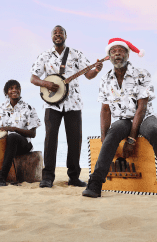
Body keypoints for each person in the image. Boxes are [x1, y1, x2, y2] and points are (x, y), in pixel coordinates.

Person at [82, 38, 157, 198]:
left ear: (128, 54)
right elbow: (105, 110)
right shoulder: (105, 79)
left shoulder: (141, 74)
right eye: (113, 51)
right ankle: (95, 184)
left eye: (121, 50)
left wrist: (131, 140)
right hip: (123, 118)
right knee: (112, 134)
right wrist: (105, 138)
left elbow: (142, 107)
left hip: (145, 116)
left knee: (154, 131)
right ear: (109, 57)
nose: (117, 53)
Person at [30, 25, 104, 188]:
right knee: (50, 139)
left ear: (65, 35)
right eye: (55, 33)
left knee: (74, 140)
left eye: (60, 33)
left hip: (74, 103)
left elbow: (89, 75)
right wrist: (46, 83)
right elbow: (33, 78)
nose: (58, 35)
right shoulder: (44, 55)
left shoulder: (76, 54)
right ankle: (47, 177)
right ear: (52, 37)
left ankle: (74, 177)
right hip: (52, 104)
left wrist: (97, 70)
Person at [0, 80, 41, 187]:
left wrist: (13, 128)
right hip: (6, 143)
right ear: (6, 92)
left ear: (20, 90)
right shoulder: (2, 107)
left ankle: (2, 177)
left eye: (17, 88)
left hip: (23, 144)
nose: (14, 90)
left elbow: (32, 134)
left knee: (13, 136)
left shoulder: (29, 108)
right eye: (11, 88)